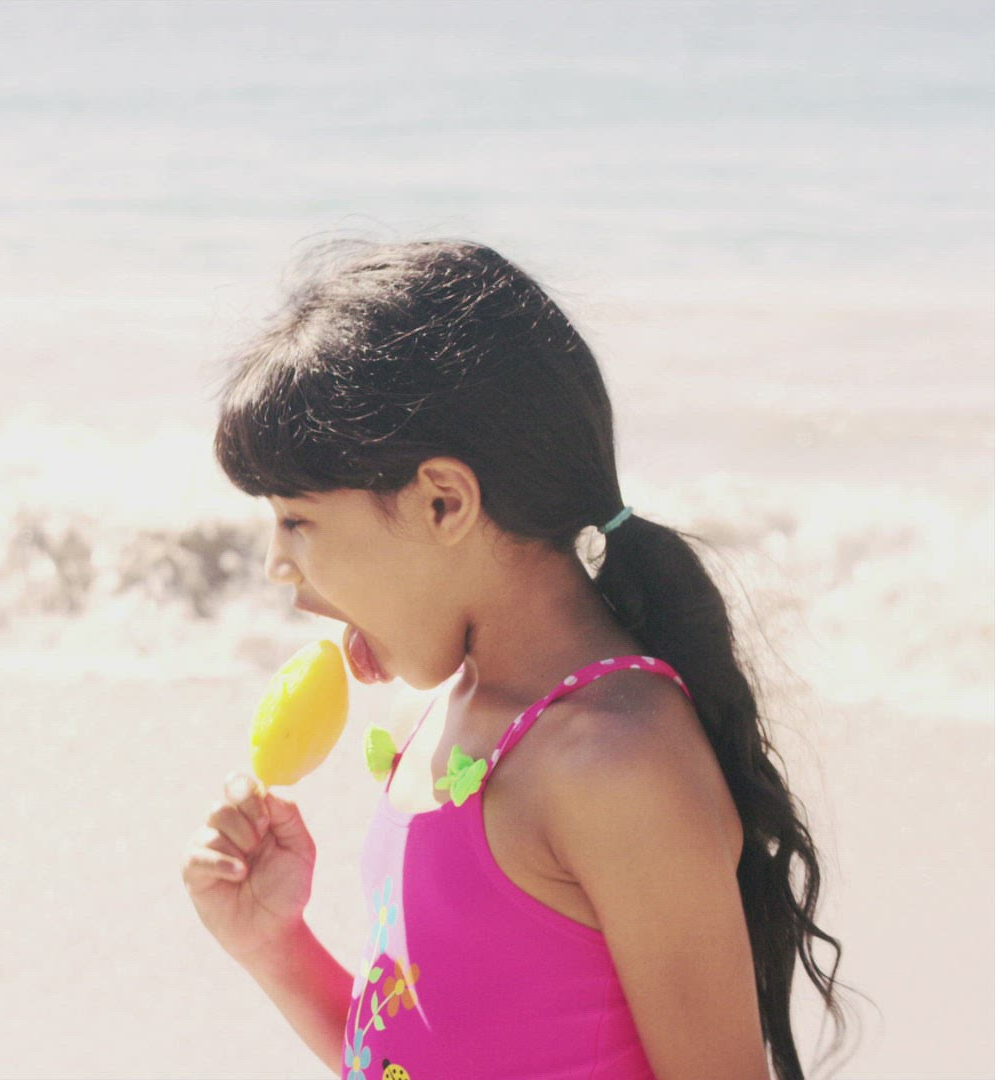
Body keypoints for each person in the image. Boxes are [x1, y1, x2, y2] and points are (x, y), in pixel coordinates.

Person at [182, 240, 845, 1079]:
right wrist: (272, 944)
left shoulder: (612, 764)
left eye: (297, 522)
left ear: (442, 502)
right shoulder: (437, 714)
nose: (278, 565)